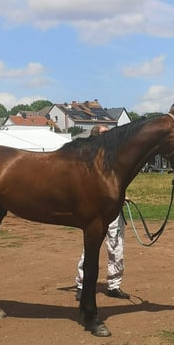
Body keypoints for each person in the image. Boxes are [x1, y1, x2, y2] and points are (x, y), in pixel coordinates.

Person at [75, 124, 130, 301]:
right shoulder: (88, 159)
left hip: (113, 208)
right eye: (106, 134)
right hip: (95, 210)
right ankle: (82, 285)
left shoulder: (114, 159)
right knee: (91, 246)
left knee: (116, 246)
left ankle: (114, 285)